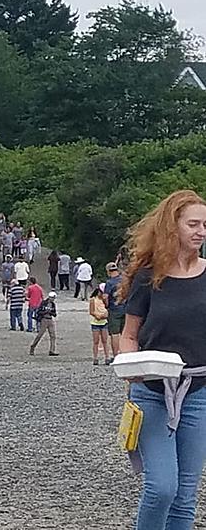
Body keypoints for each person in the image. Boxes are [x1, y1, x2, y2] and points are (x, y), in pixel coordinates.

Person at [118, 190, 206, 529]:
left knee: (185, 497)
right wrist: (129, 365)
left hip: (198, 394)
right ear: (173, 227)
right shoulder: (148, 276)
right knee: (161, 488)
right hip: (151, 392)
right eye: (193, 224)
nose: (201, 231)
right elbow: (128, 335)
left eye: (205, 225)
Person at [103, 261, 125, 361]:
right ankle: (127, 354)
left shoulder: (109, 283)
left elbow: (105, 297)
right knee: (125, 333)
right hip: (126, 308)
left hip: (114, 309)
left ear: (108, 271)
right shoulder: (124, 280)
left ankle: (116, 356)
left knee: (114, 334)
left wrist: (106, 305)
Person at [29, 292, 58, 356]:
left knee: (53, 335)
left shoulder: (53, 304)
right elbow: (39, 312)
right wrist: (45, 312)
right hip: (44, 319)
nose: (52, 299)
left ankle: (52, 350)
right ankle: (33, 347)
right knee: (40, 335)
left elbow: (55, 314)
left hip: (50, 319)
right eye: (52, 298)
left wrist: (51, 313)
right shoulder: (43, 303)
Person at [89, 285, 111, 366]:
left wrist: (106, 300)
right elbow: (91, 311)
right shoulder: (93, 300)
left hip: (104, 321)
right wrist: (97, 316)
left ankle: (107, 357)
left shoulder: (104, 300)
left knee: (105, 341)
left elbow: (107, 307)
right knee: (96, 341)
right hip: (95, 322)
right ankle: (95, 358)